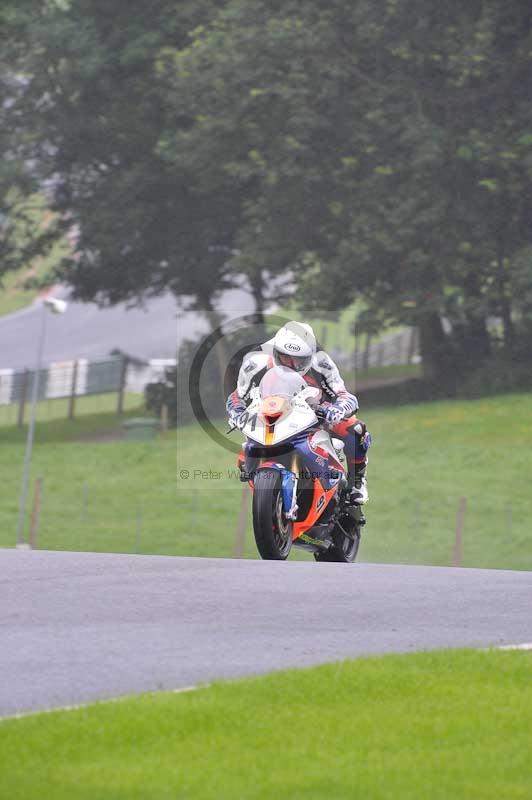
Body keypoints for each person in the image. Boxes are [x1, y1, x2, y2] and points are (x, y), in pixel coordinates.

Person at [226, 321, 371, 505]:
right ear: (275, 352)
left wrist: (337, 409)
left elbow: (345, 395)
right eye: (285, 357)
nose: (292, 364)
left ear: (310, 356)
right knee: (245, 454)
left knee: (355, 429)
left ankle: (357, 481)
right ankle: (263, 487)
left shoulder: (322, 363)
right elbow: (237, 397)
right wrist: (236, 412)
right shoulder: (255, 363)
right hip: (272, 415)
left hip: (315, 412)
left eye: (299, 360)